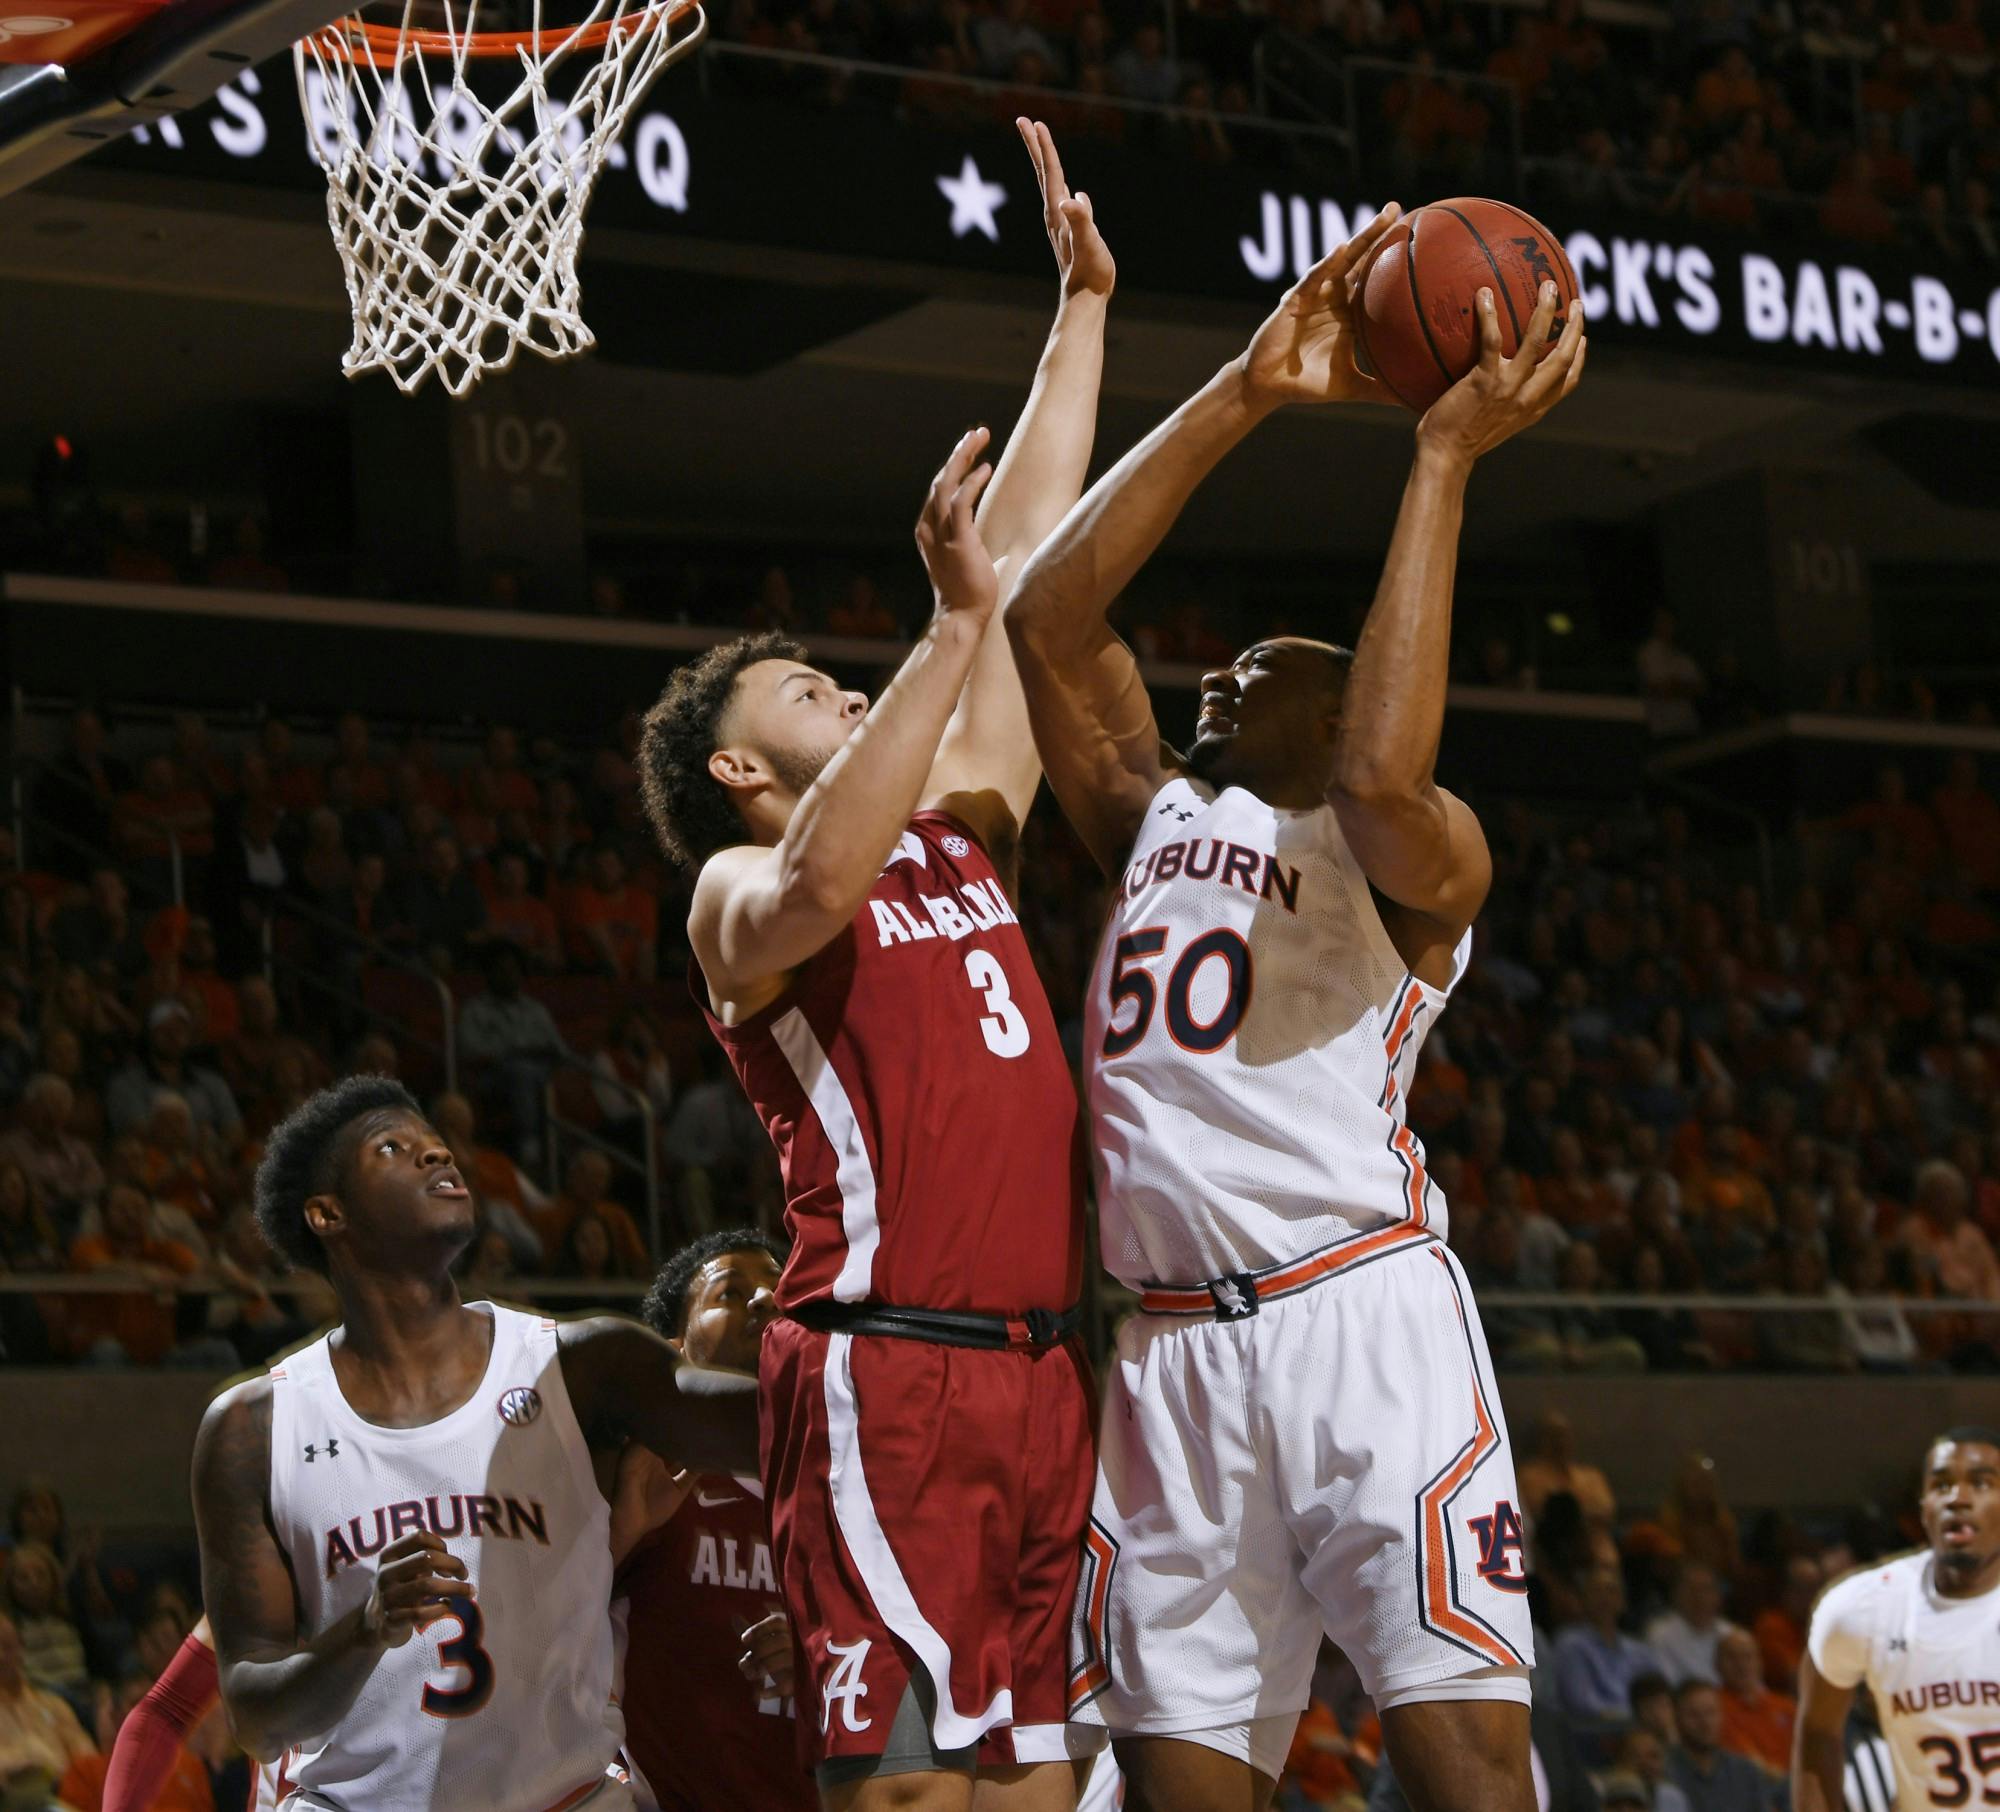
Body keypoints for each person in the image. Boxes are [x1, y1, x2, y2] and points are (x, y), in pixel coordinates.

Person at [1000, 193, 1585, 1809]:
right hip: (1171, 1351)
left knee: (1465, 1767)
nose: (1219, 678)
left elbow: (1388, 760)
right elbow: (1049, 615)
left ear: (1340, 696)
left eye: (1266, 667)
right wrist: (1247, 388)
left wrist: (1442, 458)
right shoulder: (1154, 813)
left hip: (1357, 1319)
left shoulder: (1412, 851)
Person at [636, 118, 1112, 1807]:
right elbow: (836, 858)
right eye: (800, 691)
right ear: (737, 767)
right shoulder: (740, 888)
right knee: (903, 1787)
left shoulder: (962, 823)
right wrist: (942, 629)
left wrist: (1081, 312)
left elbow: (1022, 561)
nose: (836, 684)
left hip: (1044, 1369)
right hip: (880, 1364)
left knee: (1037, 1788)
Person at [189, 1074, 758, 1810]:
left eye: (436, 1144)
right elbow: (258, 1720)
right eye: (395, 1148)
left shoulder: (585, 1366)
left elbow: (771, 1420)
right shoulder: (254, 1427)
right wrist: (363, 1631)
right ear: (328, 1214)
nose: (436, 1157)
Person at [615, 1228, 816, 1811]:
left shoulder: (857, 1480)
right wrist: (618, 1536)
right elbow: (544, 1627)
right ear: (676, 1348)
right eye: (730, 1292)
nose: (765, 1299)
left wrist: (821, 1659)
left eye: (778, 1286)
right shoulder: (647, 1471)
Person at [1793, 1427, 2000, 1812]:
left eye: (1981, 1484)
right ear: (1923, 1509)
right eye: (1941, 1486)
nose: (1958, 1498)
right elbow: (1818, 1732)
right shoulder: (1860, 1608)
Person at [1553, 1563, 1666, 1729]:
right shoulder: (1570, 1645)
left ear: (1623, 1600)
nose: (1604, 1598)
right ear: (1582, 1599)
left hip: (1642, 1731)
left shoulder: (1640, 1651)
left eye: (1611, 1591)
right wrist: (1633, 1718)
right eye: (1596, 1591)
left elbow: (1658, 1694)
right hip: (1598, 1735)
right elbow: (1582, 1704)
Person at [0, 1608, 94, 1802]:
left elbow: (86, 1757)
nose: (1, 1657)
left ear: (20, 1647)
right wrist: (25, 1757)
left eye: (7, 1647)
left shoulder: (54, 1705)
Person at [1666, 1681, 1769, 1812]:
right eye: (1693, 1715)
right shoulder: (1665, 1772)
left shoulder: (1746, 1772)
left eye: (1711, 1712)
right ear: (1676, 1719)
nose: (1705, 1723)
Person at [1643, 1564, 1738, 1688]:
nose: (1699, 1597)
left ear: (1718, 1596)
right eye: (1691, 1590)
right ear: (1676, 1595)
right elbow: (1665, 1686)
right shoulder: (1660, 1635)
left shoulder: (1730, 1633)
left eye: (1706, 1589)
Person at [1712, 1629, 1789, 1778]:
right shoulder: (1714, 1708)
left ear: (1760, 1662)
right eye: (1732, 1657)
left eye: (1747, 1657)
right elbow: (1748, 1764)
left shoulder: (1786, 1707)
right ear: (1716, 1664)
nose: (1741, 1665)